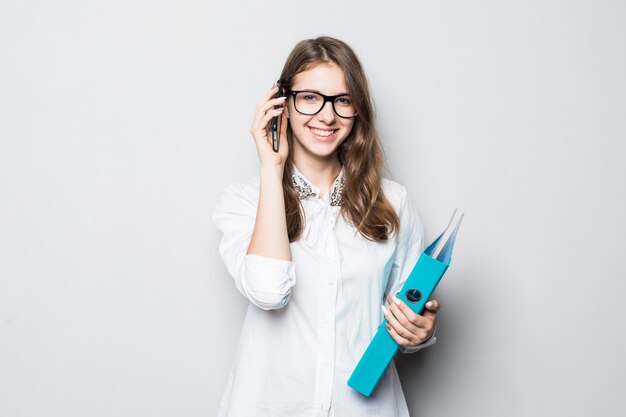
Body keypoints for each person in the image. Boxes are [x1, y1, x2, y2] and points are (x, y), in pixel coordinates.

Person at [212, 36, 440, 417]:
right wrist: (272, 168)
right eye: (310, 98)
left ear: (357, 110)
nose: (327, 115)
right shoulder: (242, 202)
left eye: (342, 100)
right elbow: (269, 291)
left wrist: (420, 332)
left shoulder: (393, 203)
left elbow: (405, 315)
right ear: (282, 103)